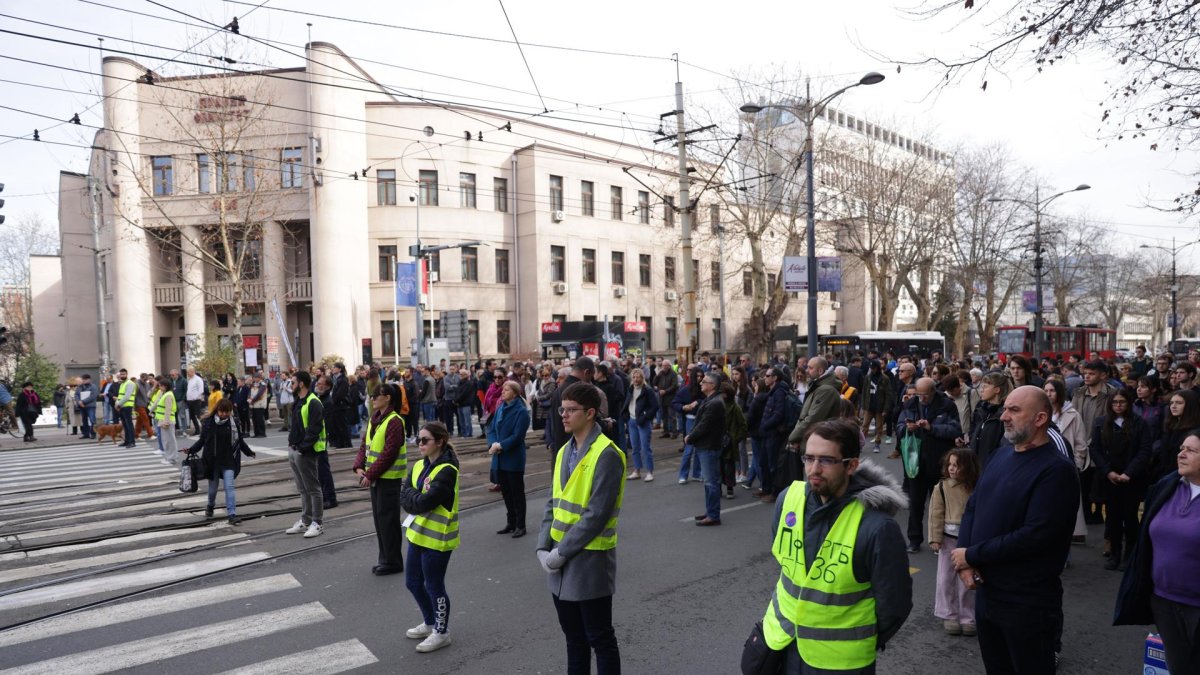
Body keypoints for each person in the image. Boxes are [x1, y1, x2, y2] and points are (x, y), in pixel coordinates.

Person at [760, 419, 912, 674]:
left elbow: (894, 605)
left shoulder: (878, 527)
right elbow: (786, 564)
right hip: (783, 643)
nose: (814, 469)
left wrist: (858, 637)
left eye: (826, 460)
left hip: (841, 662)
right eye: (809, 458)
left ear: (851, 465)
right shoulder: (788, 499)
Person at [953, 386, 1079, 674]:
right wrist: (965, 560)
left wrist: (972, 555)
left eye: (1014, 410)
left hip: (1026, 601)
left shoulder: (1057, 470)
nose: (1004, 417)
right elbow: (973, 506)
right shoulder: (1000, 455)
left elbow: (1036, 535)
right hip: (987, 592)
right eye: (1005, 409)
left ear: (1040, 419)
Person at [537, 382, 625, 674]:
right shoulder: (564, 450)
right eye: (562, 409)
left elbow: (596, 514)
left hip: (589, 561)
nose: (563, 415)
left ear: (590, 413)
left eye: (571, 410)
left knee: (599, 638)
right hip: (559, 563)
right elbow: (553, 501)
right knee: (574, 639)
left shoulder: (607, 454)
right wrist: (542, 546)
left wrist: (560, 552)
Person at [1114, 429, 1200, 674]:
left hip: (1196, 605)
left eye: (1191, 450)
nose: (1181, 454)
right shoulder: (1166, 486)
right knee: (1179, 668)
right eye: (1181, 448)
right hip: (1163, 600)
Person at [399, 421, 460, 653]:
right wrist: (413, 498)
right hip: (417, 534)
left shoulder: (447, 470)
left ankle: (442, 632)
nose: (420, 444)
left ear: (440, 442)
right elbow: (405, 495)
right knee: (413, 582)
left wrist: (412, 497)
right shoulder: (418, 465)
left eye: (425, 440)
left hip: (438, 539)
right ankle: (430, 621)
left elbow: (426, 501)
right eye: (418, 439)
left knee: (434, 586)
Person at [1088, 387, 1153, 571]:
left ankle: (1130, 556)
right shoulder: (1101, 423)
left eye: (1122, 402)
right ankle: (1114, 555)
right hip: (1110, 479)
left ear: (1128, 403)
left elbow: (1144, 450)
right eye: (1115, 402)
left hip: (1132, 479)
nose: (1118, 405)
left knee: (1131, 518)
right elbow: (1095, 449)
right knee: (1112, 519)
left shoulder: (1140, 423)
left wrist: (1129, 473)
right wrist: (1108, 472)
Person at [897, 377, 963, 553]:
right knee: (915, 504)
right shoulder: (910, 404)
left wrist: (931, 428)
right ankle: (914, 540)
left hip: (940, 460)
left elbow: (955, 430)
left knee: (940, 504)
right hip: (916, 461)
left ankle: (938, 541)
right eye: (919, 394)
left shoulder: (946, 404)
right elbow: (899, 426)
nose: (921, 398)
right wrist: (907, 428)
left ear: (933, 391)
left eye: (925, 395)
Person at [353, 382, 408, 576]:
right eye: (373, 395)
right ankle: (385, 559)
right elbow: (365, 445)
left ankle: (393, 561)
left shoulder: (394, 421)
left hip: (388, 479)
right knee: (380, 520)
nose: (373, 398)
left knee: (388, 521)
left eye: (377, 395)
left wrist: (370, 474)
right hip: (377, 477)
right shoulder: (375, 418)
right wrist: (359, 466)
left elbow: (389, 453)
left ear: (388, 398)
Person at [928, 448, 980, 636]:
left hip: (970, 541)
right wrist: (935, 538)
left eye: (956, 465)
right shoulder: (942, 487)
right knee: (945, 579)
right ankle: (949, 614)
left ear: (968, 467)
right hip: (948, 540)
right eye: (950, 464)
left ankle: (968, 617)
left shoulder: (976, 487)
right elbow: (935, 514)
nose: (951, 468)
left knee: (968, 580)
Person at [188, 398, 255, 524]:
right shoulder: (208, 422)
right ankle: (210, 505)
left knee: (229, 487)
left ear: (230, 411)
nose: (224, 414)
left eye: (227, 412)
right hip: (212, 462)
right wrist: (191, 450)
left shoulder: (234, 423)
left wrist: (249, 452)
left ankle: (232, 514)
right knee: (213, 490)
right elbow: (202, 440)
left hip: (229, 460)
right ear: (217, 410)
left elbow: (239, 441)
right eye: (222, 411)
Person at [1072, 359, 1117, 525]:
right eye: (1085, 373)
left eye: (1091, 374)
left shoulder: (1112, 394)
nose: (1087, 376)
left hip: (1102, 444)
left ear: (1103, 375)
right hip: (1081, 442)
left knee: (1100, 480)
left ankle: (1098, 512)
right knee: (1083, 481)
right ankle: (1085, 513)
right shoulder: (1078, 393)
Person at [1045, 377, 1089, 542]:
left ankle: (1072, 534)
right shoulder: (1042, 413)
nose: (1049, 394)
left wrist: (1077, 462)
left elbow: (1080, 442)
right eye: (1046, 391)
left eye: (1052, 390)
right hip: (1046, 463)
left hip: (1067, 463)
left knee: (1068, 501)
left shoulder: (1073, 414)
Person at [284, 371, 327, 539]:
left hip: (306, 452)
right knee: (303, 489)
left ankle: (317, 522)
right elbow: (296, 425)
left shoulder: (313, 402)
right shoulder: (299, 401)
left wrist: (303, 448)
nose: (291, 385)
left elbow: (315, 428)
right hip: (296, 450)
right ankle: (306, 519)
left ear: (301, 383)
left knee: (313, 488)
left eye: (293, 382)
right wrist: (291, 444)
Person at [685, 372, 728, 526]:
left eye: (704, 381)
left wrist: (690, 437)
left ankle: (713, 515)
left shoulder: (715, 402)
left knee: (711, 482)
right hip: (706, 445)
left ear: (713, 385)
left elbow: (704, 425)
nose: (701, 383)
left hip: (709, 446)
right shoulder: (710, 399)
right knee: (709, 481)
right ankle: (710, 511)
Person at [1155, 389, 1200, 481]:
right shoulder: (1170, 427)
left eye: (1179, 403)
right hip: (1164, 476)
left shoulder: (1195, 432)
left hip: (1184, 478)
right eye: (1171, 403)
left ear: (1190, 406)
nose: (1173, 406)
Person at [623, 366, 659, 482]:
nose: (636, 379)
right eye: (634, 377)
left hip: (643, 422)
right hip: (632, 421)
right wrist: (625, 416)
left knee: (645, 447)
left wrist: (645, 416)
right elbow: (627, 403)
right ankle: (637, 471)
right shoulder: (630, 389)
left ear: (642, 378)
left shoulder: (647, 390)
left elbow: (655, 406)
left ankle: (649, 472)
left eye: (638, 377)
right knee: (635, 448)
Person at [970, 372, 1011, 470]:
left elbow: (1005, 445)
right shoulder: (981, 409)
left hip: (993, 467)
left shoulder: (1005, 414)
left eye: (985, 387)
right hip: (975, 466)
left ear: (997, 390)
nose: (981, 390)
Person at [674, 368, 704, 485]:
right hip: (691, 420)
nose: (699, 379)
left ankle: (696, 473)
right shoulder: (685, 389)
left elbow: (709, 399)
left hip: (702, 420)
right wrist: (683, 407)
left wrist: (698, 402)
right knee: (689, 448)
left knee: (699, 448)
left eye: (701, 376)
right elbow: (675, 402)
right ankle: (683, 475)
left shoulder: (704, 388)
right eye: (697, 376)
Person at [861, 360, 893, 453]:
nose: (872, 370)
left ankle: (877, 443)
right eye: (871, 368)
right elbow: (864, 392)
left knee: (879, 427)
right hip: (869, 406)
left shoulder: (885, 378)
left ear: (877, 368)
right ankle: (860, 444)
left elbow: (888, 394)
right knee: (864, 426)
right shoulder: (868, 377)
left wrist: (886, 409)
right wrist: (863, 406)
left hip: (880, 407)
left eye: (874, 368)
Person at [152, 376, 180, 465]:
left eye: (160, 386)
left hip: (167, 421)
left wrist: (166, 422)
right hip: (163, 420)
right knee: (166, 441)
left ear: (165, 386)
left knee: (169, 441)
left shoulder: (168, 395)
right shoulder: (165, 394)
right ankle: (169, 458)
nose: (159, 387)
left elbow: (168, 409)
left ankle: (172, 459)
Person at [115, 369, 137, 447]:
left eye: (123, 374)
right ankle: (127, 441)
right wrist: (117, 404)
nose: (122, 375)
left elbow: (127, 397)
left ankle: (132, 442)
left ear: (127, 374)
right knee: (125, 425)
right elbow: (120, 396)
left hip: (127, 406)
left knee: (129, 424)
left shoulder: (130, 383)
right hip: (122, 406)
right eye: (121, 374)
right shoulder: (122, 384)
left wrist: (118, 405)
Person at [76, 373, 97, 439]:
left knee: (92, 420)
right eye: (83, 379)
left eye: (85, 379)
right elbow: (76, 395)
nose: (84, 381)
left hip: (90, 406)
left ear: (89, 379)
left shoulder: (93, 386)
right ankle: (86, 434)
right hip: (82, 406)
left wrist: (83, 401)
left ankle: (93, 433)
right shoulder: (80, 387)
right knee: (84, 420)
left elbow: (93, 396)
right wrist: (79, 402)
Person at [185, 367, 205, 435]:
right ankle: (197, 430)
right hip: (190, 401)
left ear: (192, 371)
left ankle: (205, 430)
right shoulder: (190, 380)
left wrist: (195, 397)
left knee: (199, 416)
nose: (187, 374)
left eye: (188, 372)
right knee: (192, 416)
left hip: (196, 400)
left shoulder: (198, 379)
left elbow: (201, 390)